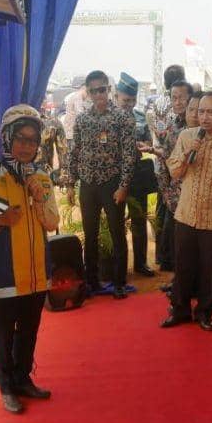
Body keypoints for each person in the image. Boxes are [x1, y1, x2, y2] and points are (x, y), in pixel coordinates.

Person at [0, 105, 60, 414]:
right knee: (4, 333)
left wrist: (39, 197)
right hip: (4, 275)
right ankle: (6, 387)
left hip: (35, 274)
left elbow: (51, 222)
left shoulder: (42, 178)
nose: (26, 146)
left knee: (29, 331)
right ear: (7, 138)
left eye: (32, 140)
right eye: (20, 138)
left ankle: (22, 380)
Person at [161, 91, 212, 332]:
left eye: (210, 112)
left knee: (209, 266)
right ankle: (179, 310)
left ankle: (205, 312)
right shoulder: (187, 136)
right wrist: (189, 154)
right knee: (183, 263)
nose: (204, 117)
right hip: (186, 213)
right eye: (201, 112)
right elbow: (175, 172)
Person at [69, 70, 137, 299]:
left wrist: (124, 185)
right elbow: (75, 151)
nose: (99, 94)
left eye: (103, 89)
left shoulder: (122, 117)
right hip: (88, 183)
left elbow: (129, 154)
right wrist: (70, 183)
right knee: (90, 235)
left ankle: (119, 283)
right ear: (87, 93)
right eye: (94, 90)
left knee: (118, 233)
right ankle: (92, 282)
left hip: (112, 183)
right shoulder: (82, 118)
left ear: (109, 90)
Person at [148, 80, 193, 276]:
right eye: (174, 98)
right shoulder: (174, 124)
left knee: (184, 239)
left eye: (182, 98)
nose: (178, 102)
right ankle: (178, 280)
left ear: (191, 99)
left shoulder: (196, 125)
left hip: (190, 191)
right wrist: (152, 150)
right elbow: (168, 153)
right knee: (172, 236)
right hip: (172, 191)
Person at [114, 72, 157, 277]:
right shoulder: (108, 117)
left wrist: (144, 146)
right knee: (114, 221)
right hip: (114, 177)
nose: (129, 104)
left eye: (132, 100)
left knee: (139, 219)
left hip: (137, 176)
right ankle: (117, 265)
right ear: (116, 96)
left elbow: (149, 142)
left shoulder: (140, 117)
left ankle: (141, 263)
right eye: (125, 100)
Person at [37, 100, 70, 186]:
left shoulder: (54, 122)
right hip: (20, 176)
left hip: (44, 177)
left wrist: (63, 174)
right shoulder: (17, 122)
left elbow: (63, 151)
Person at [62, 76, 88, 144]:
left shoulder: (75, 96)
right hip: (72, 132)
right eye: (88, 93)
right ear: (85, 89)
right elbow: (80, 114)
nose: (88, 96)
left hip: (70, 131)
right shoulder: (78, 97)